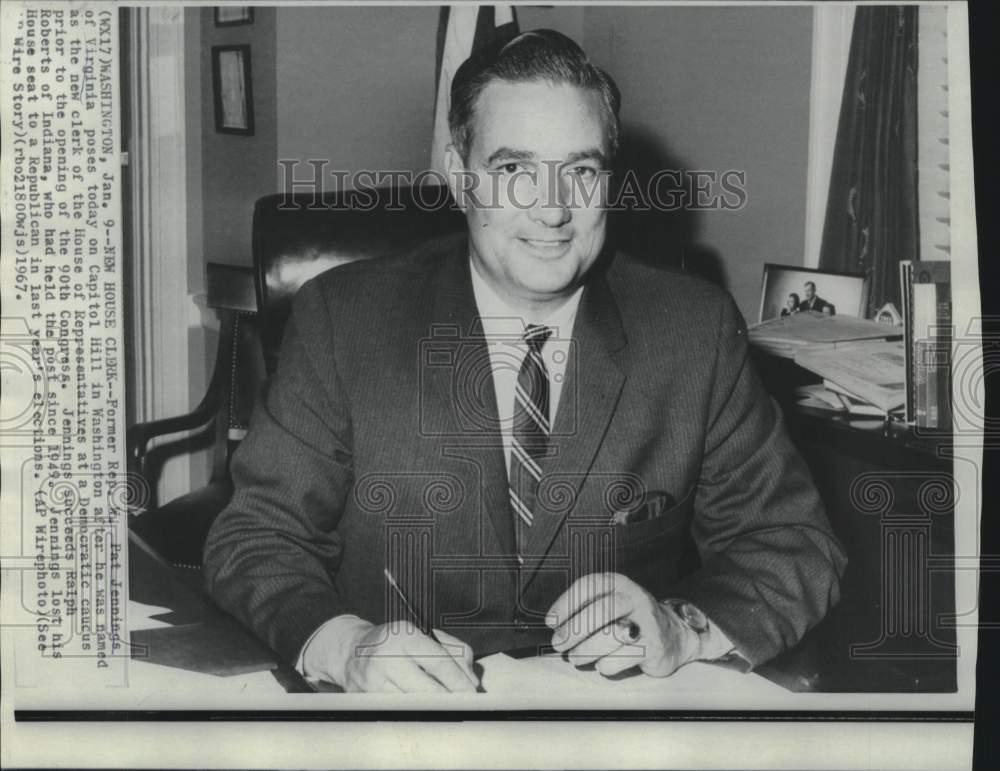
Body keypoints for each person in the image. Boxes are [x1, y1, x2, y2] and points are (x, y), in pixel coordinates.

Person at [203, 30, 846, 693]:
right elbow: (256, 537)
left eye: (581, 170)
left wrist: (683, 626)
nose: (554, 208)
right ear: (459, 177)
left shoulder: (692, 331)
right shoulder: (346, 320)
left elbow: (794, 542)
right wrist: (350, 646)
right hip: (402, 722)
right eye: (514, 170)